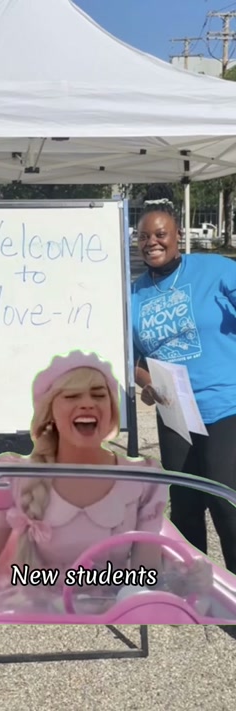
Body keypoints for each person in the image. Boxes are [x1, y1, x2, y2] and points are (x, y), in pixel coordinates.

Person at [0, 350, 211, 614]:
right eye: (72, 396)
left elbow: (145, 578)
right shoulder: (16, 474)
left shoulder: (143, 479)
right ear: (50, 411)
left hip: (111, 620)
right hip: (36, 620)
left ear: (111, 409)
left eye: (98, 395)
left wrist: (180, 582)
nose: (87, 403)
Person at [131, 183, 236, 576]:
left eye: (160, 234)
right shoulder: (134, 294)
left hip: (225, 405)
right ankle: (194, 588)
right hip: (174, 412)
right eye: (144, 237)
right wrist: (145, 382)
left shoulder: (216, 269)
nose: (152, 242)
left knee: (226, 501)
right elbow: (130, 357)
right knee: (186, 505)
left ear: (177, 236)